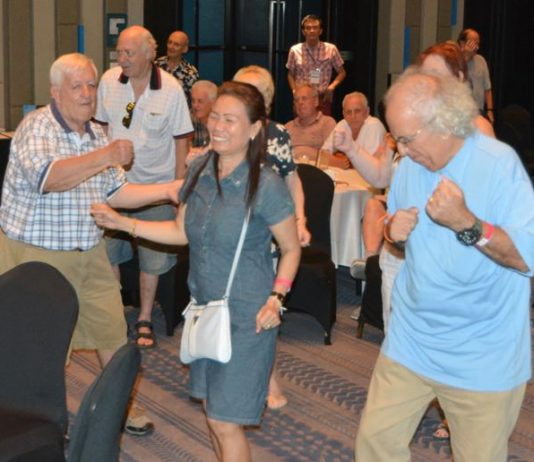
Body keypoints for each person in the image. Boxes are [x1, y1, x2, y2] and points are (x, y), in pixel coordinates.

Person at [91, 81, 301, 462]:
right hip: (205, 310)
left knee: (224, 420)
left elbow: (290, 249)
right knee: (212, 412)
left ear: (254, 129)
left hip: (248, 315)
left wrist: (277, 296)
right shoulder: (201, 169)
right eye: (215, 116)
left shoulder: (266, 184)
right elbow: (179, 231)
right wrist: (124, 224)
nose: (217, 126)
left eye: (230, 120)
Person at [0, 53, 183, 436]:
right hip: (37, 260)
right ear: (56, 92)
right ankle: (41, 420)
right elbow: (49, 179)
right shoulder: (37, 128)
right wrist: (107, 155)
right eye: (77, 86)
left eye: (91, 85)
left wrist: (166, 189)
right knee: (43, 347)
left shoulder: (96, 134)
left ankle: (121, 405)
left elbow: (117, 192)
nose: (87, 93)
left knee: (112, 332)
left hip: (89, 251)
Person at [355, 69, 534, 461]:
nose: (402, 151)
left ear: (442, 122)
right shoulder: (410, 166)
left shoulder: (498, 164)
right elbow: (400, 236)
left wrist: (468, 224)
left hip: (481, 353)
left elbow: (527, 257)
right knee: (374, 444)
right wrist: (391, 233)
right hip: (412, 340)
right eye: (396, 139)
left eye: (406, 138)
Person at [96, 25, 193, 349]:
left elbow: (182, 142)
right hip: (115, 188)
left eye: (128, 53)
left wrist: (178, 193)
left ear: (149, 54)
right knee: (108, 253)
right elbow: (100, 131)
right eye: (119, 52)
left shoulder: (171, 89)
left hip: (156, 190)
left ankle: (145, 317)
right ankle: (116, 314)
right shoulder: (109, 82)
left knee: (152, 261)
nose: (121, 59)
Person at [234, 65, 311, 410]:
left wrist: (300, 220)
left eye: (250, 92)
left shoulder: (277, 134)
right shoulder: (226, 130)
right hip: (230, 232)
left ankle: (269, 377)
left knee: (264, 307)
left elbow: (292, 180)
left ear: (265, 100)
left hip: (265, 236)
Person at [286, 14, 346, 116]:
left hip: (322, 97)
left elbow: (342, 72)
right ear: (303, 31)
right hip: (302, 98)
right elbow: (290, 74)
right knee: (301, 125)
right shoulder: (295, 50)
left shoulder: (331, 49)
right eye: (308, 28)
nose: (312, 31)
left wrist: (331, 87)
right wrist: (294, 90)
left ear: (320, 31)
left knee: (324, 124)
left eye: (315, 27)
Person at [322, 91, 386, 170]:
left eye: (357, 111)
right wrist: (338, 159)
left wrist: (340, 158)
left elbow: (369, 166)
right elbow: (323, 155)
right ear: (343, 114)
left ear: (367, 111)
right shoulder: (342, 124)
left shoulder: (374, 126)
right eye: (348, 112)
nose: (353, 116)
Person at [284, 83, 336, 162]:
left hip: (317, 169)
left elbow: (332, 158)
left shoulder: (327, 123)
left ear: (316, 101)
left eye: (304, 98)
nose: (300, 102)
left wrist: (301, 151)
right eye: (296, 100)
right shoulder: (287, 127)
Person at [457, 28, 494, 124]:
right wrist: (466, 57)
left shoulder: (481, 60)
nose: (477, 47)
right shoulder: (454, 60)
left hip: (479, 112)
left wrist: (490, 110)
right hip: (460, 113)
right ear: (462, 43)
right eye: (474, 43)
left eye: (478, 43)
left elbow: (487, 88)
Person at [155, 30, 199, 107]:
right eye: (169, 42)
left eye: (176, 44)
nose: (171, 47)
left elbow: (192, 101)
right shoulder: (156, 65)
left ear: (185, 49)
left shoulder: (190, 72)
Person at [190, 79, 218, 149]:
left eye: (200, 101)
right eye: (193, 100)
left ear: (213, 103)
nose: (195, 105)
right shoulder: (187, 120)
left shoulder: (220, 123)